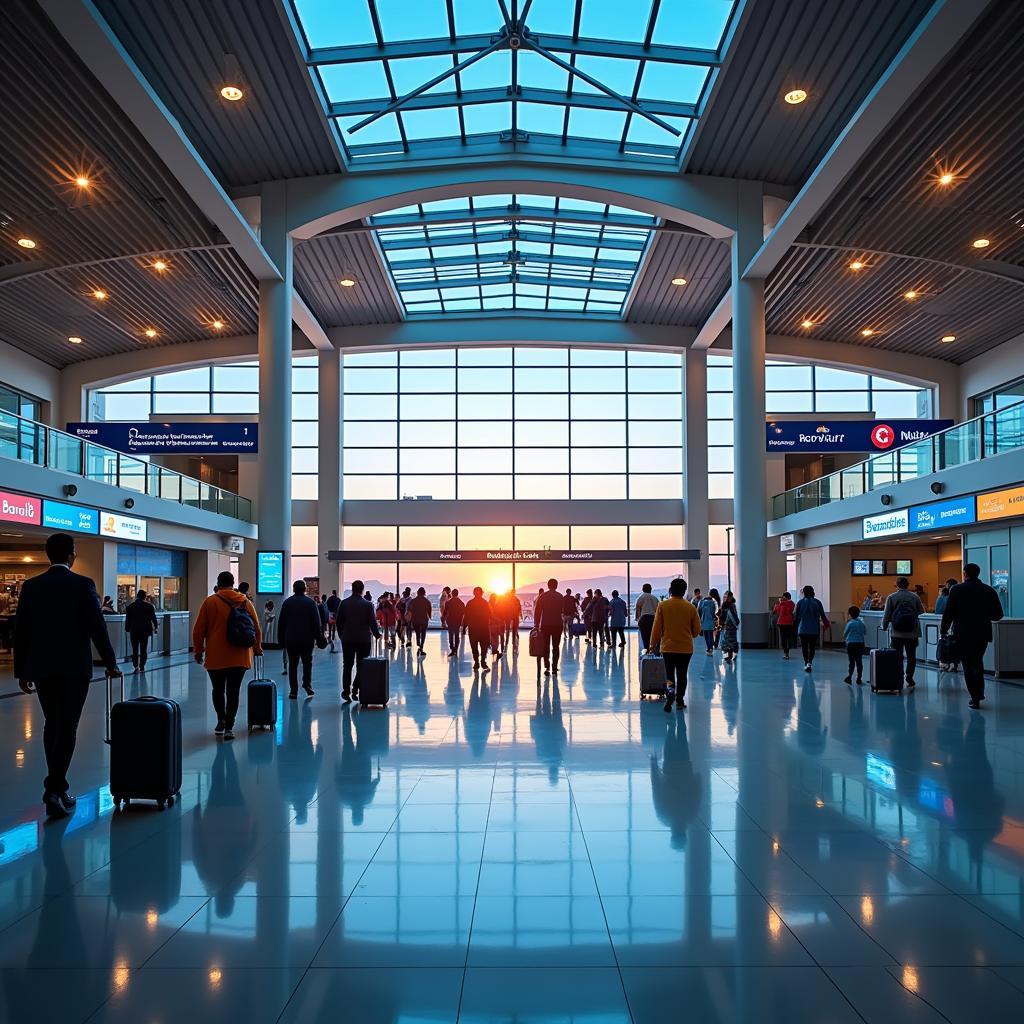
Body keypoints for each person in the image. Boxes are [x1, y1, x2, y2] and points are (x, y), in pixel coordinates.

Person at [14, 533, 123, 818]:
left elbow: (21, 631)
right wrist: (110, 662)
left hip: (42, 668)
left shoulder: (32, 586)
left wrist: (21, 671)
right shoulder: (82, 585)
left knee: (52, 724)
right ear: (71, 555)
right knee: (68, 726)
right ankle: (55, 788)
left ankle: (57, 788)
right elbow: (97, 627)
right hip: (75, 669)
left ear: (49, 554)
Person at [193, 570, 263, 739]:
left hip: (216, 656)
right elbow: (256, 627)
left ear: (218, 582)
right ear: (233, 584)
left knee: (218, 690)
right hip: (240, 656)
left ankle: (221, 720)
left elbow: (198, 630)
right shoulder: (245, 602)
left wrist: (198, 651)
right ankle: (229, 727)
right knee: (234, 691)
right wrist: (257, 648)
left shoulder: (210, 602)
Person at [941, 563, 1004, 709]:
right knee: (977, 661)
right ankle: (979, 692)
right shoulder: (988, 590)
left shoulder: (956, 590)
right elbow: (998, 614)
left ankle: (975, 696)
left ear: (964, 574)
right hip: (982, 633)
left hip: (962, 634)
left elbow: (948, 612)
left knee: (967, 664)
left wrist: (943, 629)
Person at [650, 577, 701, 713]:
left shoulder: (663, 605)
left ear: (670, 590)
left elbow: (657, 628)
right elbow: (696, 631)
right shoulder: (690, 607)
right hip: (685, 648)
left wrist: (652, 644)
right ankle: (680, 701)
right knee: (682, 674)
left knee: (670, 674)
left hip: (668, 647)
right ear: (684, 591)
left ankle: (670, 692)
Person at [277, 580, 326, 699]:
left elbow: (281, 623)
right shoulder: (310, 603)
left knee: (292, 664)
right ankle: (307, 685)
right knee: (307, 663)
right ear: (305, 589)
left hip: (291, 639)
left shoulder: (287, 603)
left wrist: (280, 640)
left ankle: (293, 691)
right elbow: (316, 623)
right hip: (307, 639)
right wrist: (319, 638)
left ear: (294, 589)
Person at [337, 579, 381, 702]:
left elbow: (339, 622)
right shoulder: (368, 605)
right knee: (362, 665)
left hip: (348, 639)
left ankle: (346, 691)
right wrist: (377, 634)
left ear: (352, 589)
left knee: (347, 666)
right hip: (363, 640)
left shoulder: (344, 603)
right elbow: (372, 623)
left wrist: (342, 635)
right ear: (362, 590)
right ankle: (356, 688)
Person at [881, 576, 924, 688]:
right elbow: (921, 611)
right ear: (908, 585)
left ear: (897, 585)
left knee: (896, 656)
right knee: (911, 657)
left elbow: (887, 615)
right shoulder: (915, 597)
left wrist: (884, 626)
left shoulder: (892, 597)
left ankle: (898, 676)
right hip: (912, 633)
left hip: (897, 633)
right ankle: (909, 677)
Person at [533, 578, 566, 676]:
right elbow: (562, 611)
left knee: (545, 646)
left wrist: (536, 624)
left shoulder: (542, 597)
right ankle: (554, 668)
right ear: (556, 586)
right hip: (557, 624)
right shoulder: (560, 597)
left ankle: (546, 666)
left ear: (548, 585)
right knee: (556, 647)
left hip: (545, 625)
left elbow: (537, 612)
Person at [794, 585, 829, 671]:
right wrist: (826, 625)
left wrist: (795, 628)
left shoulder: (800, 603)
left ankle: (806, 662)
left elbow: (796, 617)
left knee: (804, 647)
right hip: (814, 629)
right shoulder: (817, 602)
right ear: (813, 592)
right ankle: (810, 662)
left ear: (804, 593)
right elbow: (823, 616)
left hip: (803, 629)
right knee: (812, 647)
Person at [124, 588, 158, 672]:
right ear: (145, 597)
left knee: (135, 649)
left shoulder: (130, 607)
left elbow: (128, 619)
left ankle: (136, 666)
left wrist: (127, 628)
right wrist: (156, 627)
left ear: (137, 596)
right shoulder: (149, 606)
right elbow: (153, 618)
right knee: (143, 649)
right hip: (145, 631)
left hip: (134, 630)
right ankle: (142, 666)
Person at [464, 586, 492, 671]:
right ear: (482, 593)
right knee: (484, 646)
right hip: (483, 628)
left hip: (473, 628)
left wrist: (464, 626)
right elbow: (490, 615)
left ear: (474, 593)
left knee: (474, 646)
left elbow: (466, 616)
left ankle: (476, 663)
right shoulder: (485, 603)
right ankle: (483, 662)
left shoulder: (470, 603)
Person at [843, 605, 866, 685]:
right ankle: (859, 678)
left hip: (851, 644)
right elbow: (864, 632)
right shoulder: (861, 623)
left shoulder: (850, 623)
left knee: (851, 661)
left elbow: (845, 634)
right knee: (859, 661)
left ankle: (849, 676)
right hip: (860, 644)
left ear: (850, 614)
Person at [407, 587, 432, 656]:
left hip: (415, 620)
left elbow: (409, 610)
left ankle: (418, 643)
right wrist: (429, 616)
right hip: (424, 620)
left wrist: (409, 619)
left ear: (417, 593)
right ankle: (421, 647)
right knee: (423, 634)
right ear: (424, 593)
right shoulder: (427, 601)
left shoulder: (413, 601)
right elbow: (429, 611)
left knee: (417, 633)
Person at [635, 583, 659, 652]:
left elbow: (638, 610)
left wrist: (638, 619)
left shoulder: (640, 598)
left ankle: (646, 651)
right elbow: (658, 611)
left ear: (643, 589)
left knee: (644, 637)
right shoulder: (654, 598)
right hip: (653, 619)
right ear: (650, 589)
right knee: (653, 636)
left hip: (644, 619)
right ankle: (653, 650)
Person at [773, 591, 796, 660]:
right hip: (789, 623)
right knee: (788, 638)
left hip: (782, 623)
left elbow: (777, 612)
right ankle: (787, 652)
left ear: (786, 597)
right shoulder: (792, 604)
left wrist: (779, 603)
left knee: (783, 638)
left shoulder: (782, 603)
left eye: (783, 597)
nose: (782, 598)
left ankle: (786, 653)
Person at [719, 591, 740, 662]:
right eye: (727, 597)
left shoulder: (732, 605)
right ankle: (727, 658)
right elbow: (722, 615)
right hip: (726, 627)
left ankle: (731, 657)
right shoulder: (725, 605)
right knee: (726, 644)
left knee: (730, 644)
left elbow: (734, 615)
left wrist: (736, 623)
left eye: (730, 597)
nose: (729, 598)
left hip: (731, 628)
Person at [445, 588, 465, 657]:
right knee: (457, 635)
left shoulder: (448, 602)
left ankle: (452, 648)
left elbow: (445, 613)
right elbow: (463, 613)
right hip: (458, 621)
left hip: (450, 621)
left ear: (452, 594)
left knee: (451, 635)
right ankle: (456, 649)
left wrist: (444, 621)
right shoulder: (461, 603)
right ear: (457, 594)